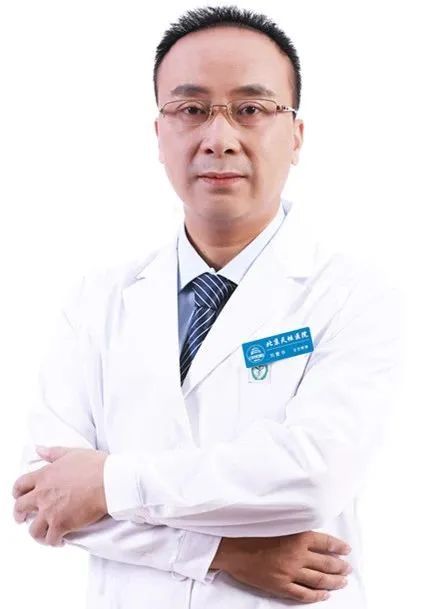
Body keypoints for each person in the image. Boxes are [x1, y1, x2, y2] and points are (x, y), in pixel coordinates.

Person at [12, 5, 405, 608]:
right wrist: (220, 553)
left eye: (251, 109)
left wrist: (110, 481)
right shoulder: (98, 299)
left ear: (296, 135)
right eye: (191, 109)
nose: (219, 138)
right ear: (159, 133)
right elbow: (42, 496)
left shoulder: (353, 293)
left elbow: (311, 475)